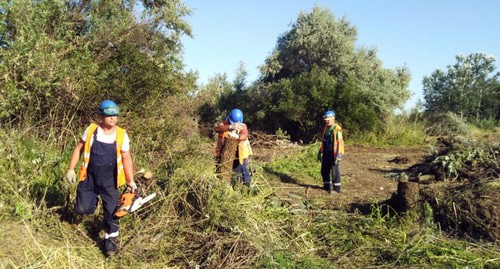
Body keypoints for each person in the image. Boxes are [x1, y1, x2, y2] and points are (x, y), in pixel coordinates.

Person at [65, 100, 137, 257]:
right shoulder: (91, 130)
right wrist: (71, 169)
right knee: (82, 209)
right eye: (109, 115)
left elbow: (126, 158)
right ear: (102, 116)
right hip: (89, 177)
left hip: (110, 181)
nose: (112, 118)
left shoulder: (121, 135)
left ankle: (109, 243)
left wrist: (130, 181)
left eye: (115, 115)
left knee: (112, 214)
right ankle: (93, 203)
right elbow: (79, 148)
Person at [214, 108, 252, 187]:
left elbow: (245, 135)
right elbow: (217, 129)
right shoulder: (224, 124)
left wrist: (238, 137)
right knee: (221, 171)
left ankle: (245, 187)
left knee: (240, 171)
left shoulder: (243, 126)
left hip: (239, 154)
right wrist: (230, 126)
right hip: (223, 153)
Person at [317, 110, 344, 194]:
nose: (326, 121)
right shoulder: (326, 128)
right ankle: (327, 186)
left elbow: (340, 142)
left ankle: (336, 189)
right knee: (324, 170)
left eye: (328, 119)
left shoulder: (337, 129)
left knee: (334, 171)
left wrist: (339, 155)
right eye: (325, 119)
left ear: (333, 119)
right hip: (326, 152)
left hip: (334, 153)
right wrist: (320, 152)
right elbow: (324, 141)